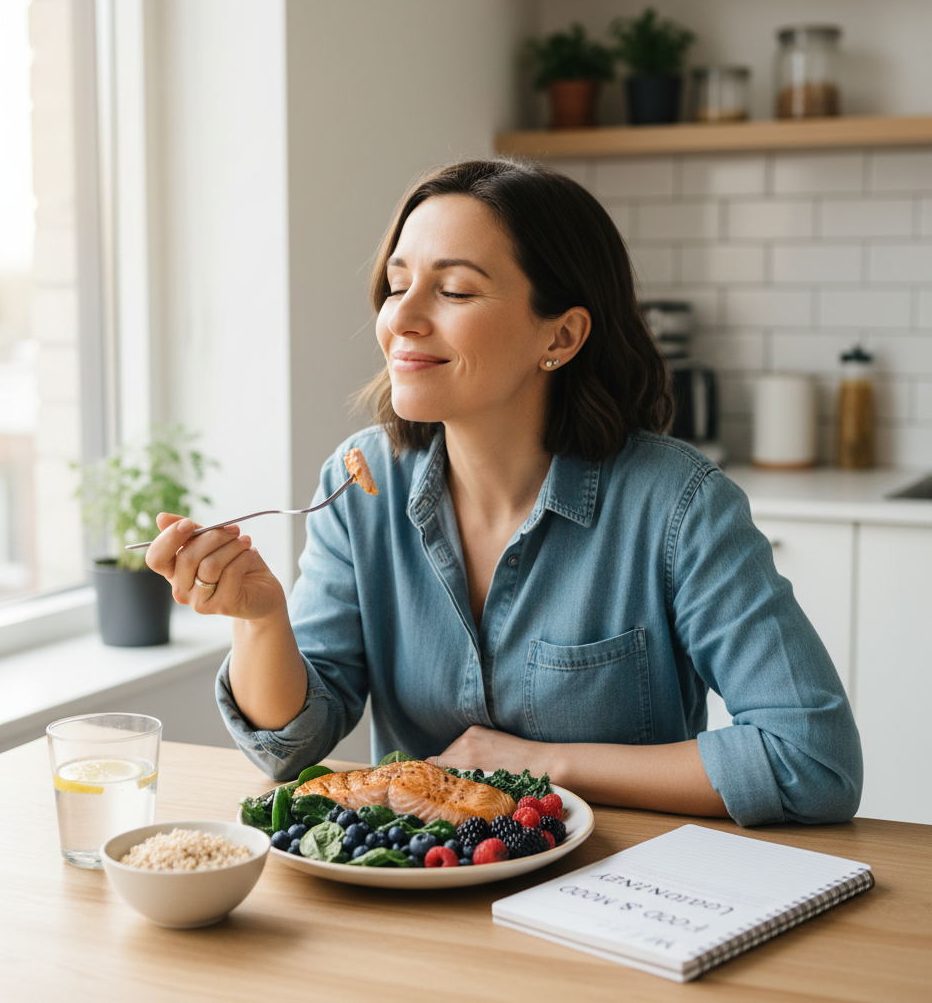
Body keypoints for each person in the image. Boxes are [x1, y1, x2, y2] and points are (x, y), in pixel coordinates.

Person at [146, 159, 862, 827]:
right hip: (418, 897)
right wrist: (262, 620)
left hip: (615, 897)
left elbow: (813, 758)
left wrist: (538, 765)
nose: (402, 316)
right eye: (397, 284)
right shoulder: (359, 483)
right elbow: (288, 749)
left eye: (454, 290)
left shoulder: (680, 507)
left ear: (562, 334)